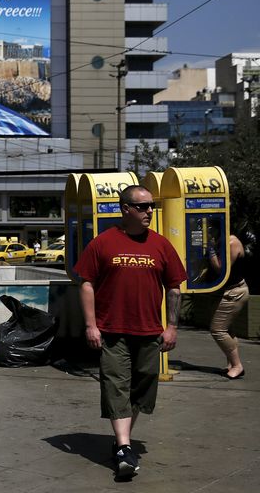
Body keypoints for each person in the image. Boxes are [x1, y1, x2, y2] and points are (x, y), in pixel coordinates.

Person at [74, 185, 186, 479]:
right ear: (125, 209)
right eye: (144, 206)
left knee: (142, 386)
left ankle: (122, 442)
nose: (150, 211)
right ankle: (124, 446)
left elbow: (174, 286)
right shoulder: (102, 243)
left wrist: (172, 326)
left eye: (152, 206)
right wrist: (91, 324)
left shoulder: (161, 245)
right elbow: (86, 282)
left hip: (149, 332)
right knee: (115, 385)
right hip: (112, 331)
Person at [207, 231, 249, 379]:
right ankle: (232, 364)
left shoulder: (232, 243)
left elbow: (221, 269)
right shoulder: (221, 242)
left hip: (234, 292)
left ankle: (238, 365)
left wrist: (210, 249)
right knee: (227, 330)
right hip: (224, 292)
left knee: (218, 330)